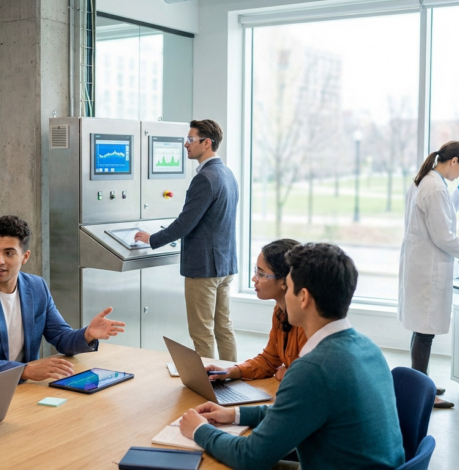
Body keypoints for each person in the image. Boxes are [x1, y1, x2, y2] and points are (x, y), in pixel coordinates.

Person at [179, 243, 404, 470]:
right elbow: (293, 411)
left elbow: (250, 457)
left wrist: (199, 430)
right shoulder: (369, 348)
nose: (285, 295)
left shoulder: (313, 369)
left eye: (288, 289)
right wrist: (235, 414)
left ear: (303, 297)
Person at [0, 215, 126, 383]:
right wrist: (26, 370)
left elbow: (61, 337)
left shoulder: (36, 287)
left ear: (25, 257)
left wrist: (87, 334)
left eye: (9, 253)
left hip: (21, 387)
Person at [134, 119, 239, 361]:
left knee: (202, 333)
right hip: (224, 265)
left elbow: (185, 222)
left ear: (207, 142)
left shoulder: (205, 178)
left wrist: (153, 238)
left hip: (203, 268)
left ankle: (208, 385)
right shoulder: (227, 174)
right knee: (224, 328)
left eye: (191, 140)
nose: (186, 145)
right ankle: (231, 377)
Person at [398, 141, 459, 409]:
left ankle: (420, 380)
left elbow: (442, 214)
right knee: (425, 332)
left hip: (420, 264)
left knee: (420, 329)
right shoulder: (435, 187)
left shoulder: (424, 181)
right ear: (454, 161)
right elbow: (443, 235)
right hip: (428, 268)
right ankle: (423, 393)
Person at [205, 239, 307, 382]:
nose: (254, 279)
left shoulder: (307, 319)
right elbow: (269, 360)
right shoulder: (280, 310)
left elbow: (305, 376)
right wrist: (229, 371)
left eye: (261, 274)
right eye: (255, 271)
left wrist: (288, 372)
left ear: (285, 281)